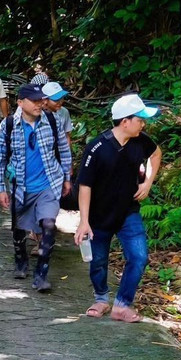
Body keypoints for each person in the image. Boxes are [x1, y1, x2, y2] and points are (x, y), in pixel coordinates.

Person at [73, 94, 162, 322]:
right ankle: (101, 298)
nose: (143, 124)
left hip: (128, 212)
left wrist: (148, 183)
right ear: (125, 121)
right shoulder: (97, 147)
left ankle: (122, 305)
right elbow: (85, 185)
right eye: (139, 119)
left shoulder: (140, 141)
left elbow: (156, 154)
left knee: (139, 257)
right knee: (98, 261)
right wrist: (84, 221)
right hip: (99, 216)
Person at [0, 83, 72, 291]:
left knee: (48, 224)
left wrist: (66, 178)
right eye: (35, 100)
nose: (40, 104)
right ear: (20, 102)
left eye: (42, 100)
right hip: (21, 187)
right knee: (19, 229)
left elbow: (63, 150)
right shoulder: (9, 124)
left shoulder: (51, 121)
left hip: (49, 184)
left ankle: (41, 274)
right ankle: (21, 260)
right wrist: (0, 189)